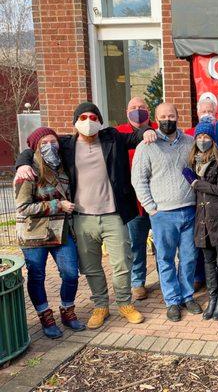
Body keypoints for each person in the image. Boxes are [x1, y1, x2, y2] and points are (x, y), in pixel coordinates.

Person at [15, 102, 155, 329]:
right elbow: (36, 144)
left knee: (122, 264)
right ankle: (100, 305)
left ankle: (124, 303)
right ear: (74, 122)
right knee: (91, 266)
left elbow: (135, 135)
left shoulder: (112, 138)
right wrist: (22, 163)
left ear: (99, 120)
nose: (88, 122)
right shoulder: (66, 145)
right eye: (82, 118)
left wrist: (147, 130)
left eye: (92, 117)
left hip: (113, 215)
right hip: (82, 218)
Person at [132, 102, 202, 322]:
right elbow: (139, 180)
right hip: (163, 214)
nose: (167, 119)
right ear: (156, 118)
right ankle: (172, 300)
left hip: (189, 210)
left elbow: (199, 169)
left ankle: (187, 295)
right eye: (163, 116)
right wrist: (151, 207)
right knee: (166, 259)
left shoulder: (190, 143)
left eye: (171, 115)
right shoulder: (147, 146)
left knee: (190, 257)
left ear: (177, 117)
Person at [14, 127, 85, 338]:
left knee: (71, 273)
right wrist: (57, 205)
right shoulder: (27, 172)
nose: (49, 146)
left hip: (60, 231)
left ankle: (67, 310)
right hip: (33, 234)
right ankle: (45, 315)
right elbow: (23, 208)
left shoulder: (63, 166)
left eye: (52, 141)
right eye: (43, 143)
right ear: (35, 147)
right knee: (37, 276)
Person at [182, 119, 218, 320]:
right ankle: (212, 298)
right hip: (202, 218)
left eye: (206, 136)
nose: (202, 140)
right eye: (199, 136)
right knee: (208, 260)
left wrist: (197, 183)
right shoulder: (192, 160)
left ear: (213, 139)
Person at [115, 97, 158, 301]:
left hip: (160, 201)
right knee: (136, 245)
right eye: (133, 108)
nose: (137, 111)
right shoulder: (119, 133)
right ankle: (137, 283)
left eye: (142, 107)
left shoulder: (160, 129)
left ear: (148, 111)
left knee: (163, 245)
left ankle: (166, 280)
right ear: (126, 111)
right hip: (134, 203)